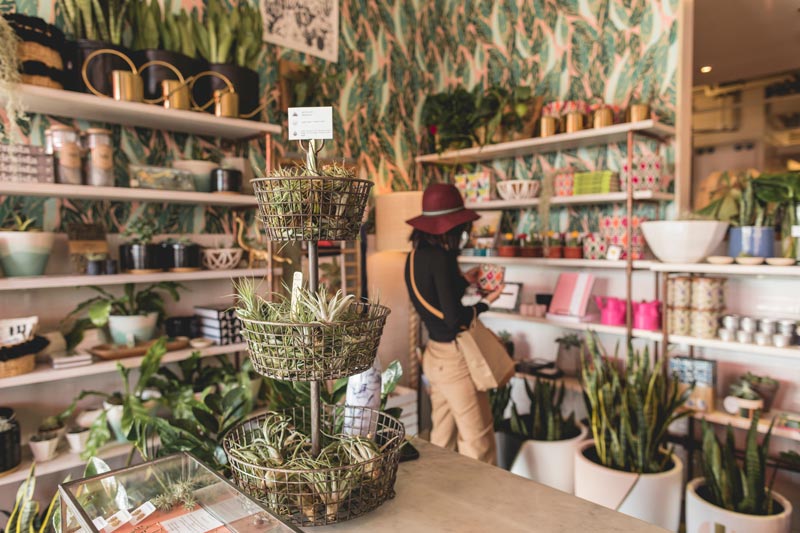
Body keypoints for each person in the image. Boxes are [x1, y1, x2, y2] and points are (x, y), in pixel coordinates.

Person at [404, 183, 504, 464]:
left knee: (440, 441)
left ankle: (440, 499)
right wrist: (488, 302)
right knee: (478, 444)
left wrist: (463, 280)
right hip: (456, 361)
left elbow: (436, 298)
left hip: (434, 358)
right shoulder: (442, 258)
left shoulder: (414, 257)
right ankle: (483, 505)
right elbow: (454, 318)